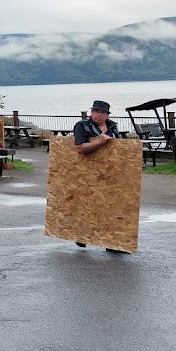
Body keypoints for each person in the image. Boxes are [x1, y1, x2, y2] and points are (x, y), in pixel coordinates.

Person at [72, 99, 124, 252]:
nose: (99, 115)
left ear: (107, 115)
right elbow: (80, 148)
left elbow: (119, 147)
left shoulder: (113, 126)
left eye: (102, 113)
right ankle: (81, 235)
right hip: (86, 173)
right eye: (96, 112)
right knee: (87, 205)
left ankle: (113, 243)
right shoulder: (82, 126)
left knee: (112, 207)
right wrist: (100, 142)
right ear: (91, 113)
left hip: (109, 173)